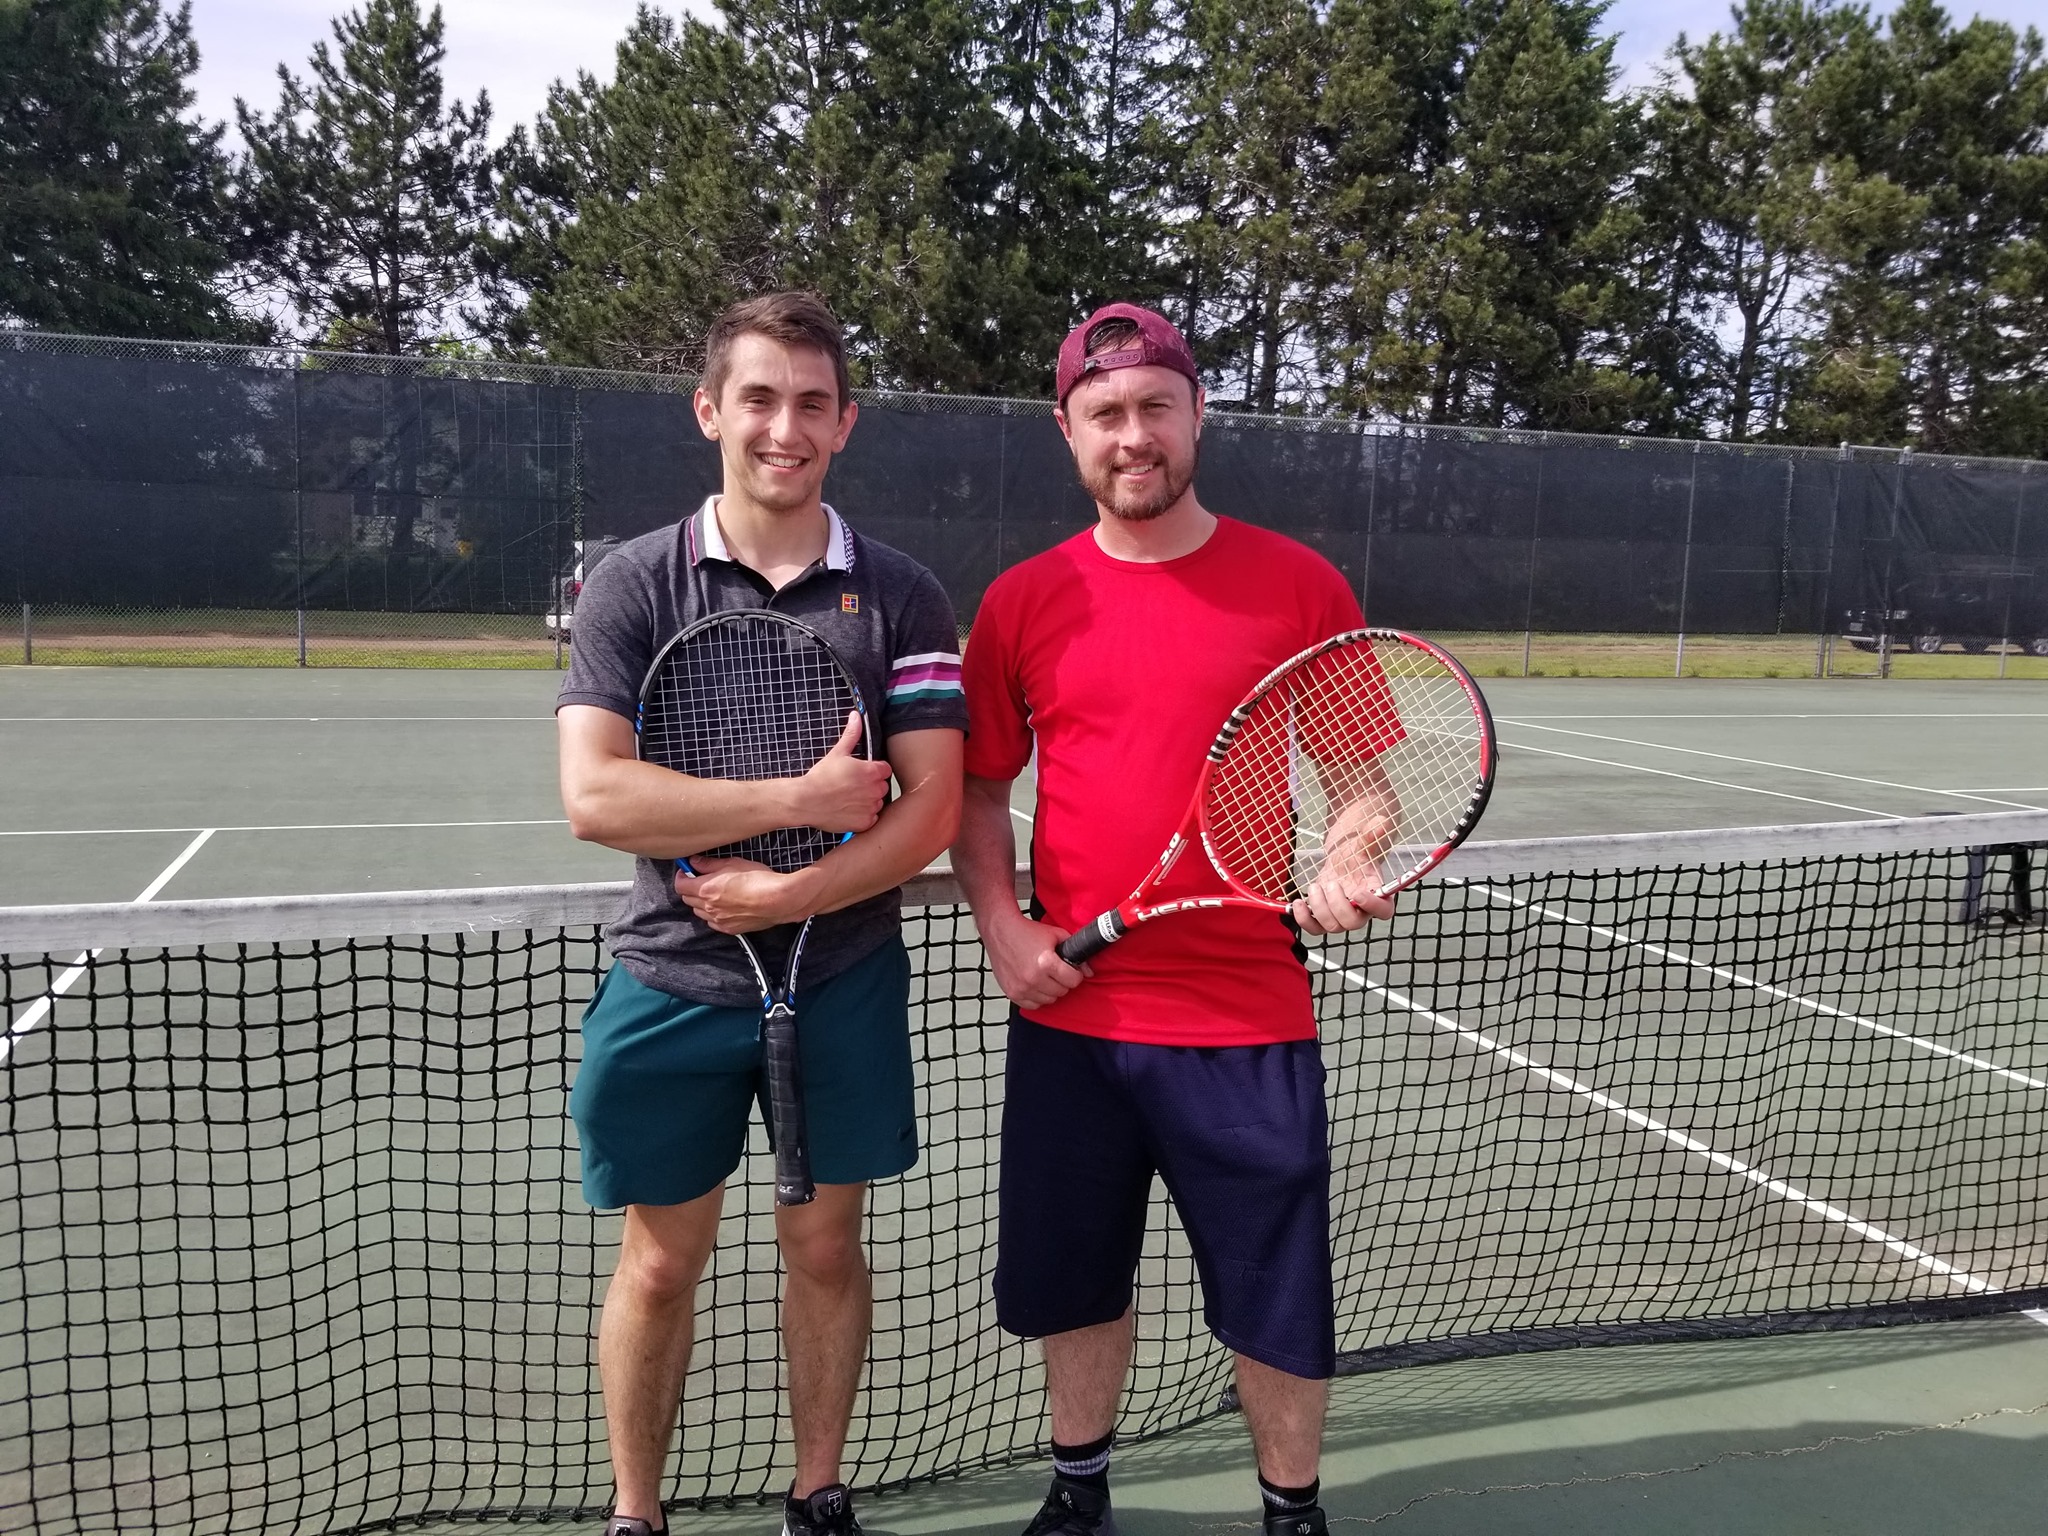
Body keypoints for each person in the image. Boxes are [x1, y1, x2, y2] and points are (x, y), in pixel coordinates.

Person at [949, 303, 1393, 1536]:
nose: (1131, 435)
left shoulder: (1298, 585)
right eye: (1105, 415)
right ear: (1066, 431)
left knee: (1274, 1294)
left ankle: (1290, 1512)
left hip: (1247, 1016)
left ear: (1196, 414)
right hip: (1074, 1019)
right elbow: (978, 792)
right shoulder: (1024, 601)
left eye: (1154, 407)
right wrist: (1003, 928)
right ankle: (1079, 1494)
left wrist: (1346, 862)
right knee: (1075, 1283)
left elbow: (1361, 784)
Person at [557, 291, 966, 1536]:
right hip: (670, 982)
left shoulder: (901, 595)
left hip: (839, 978)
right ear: (709, 411)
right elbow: (594, 795)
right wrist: (797, 797)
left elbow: (932, 808)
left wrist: (788, 889)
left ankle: (817, 1493)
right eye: (757, 398)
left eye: (809, 403)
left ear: (843, 423)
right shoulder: (632, 583)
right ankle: (639, 1515)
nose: (782, 426)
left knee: (825, 1252)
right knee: (660, 1263)